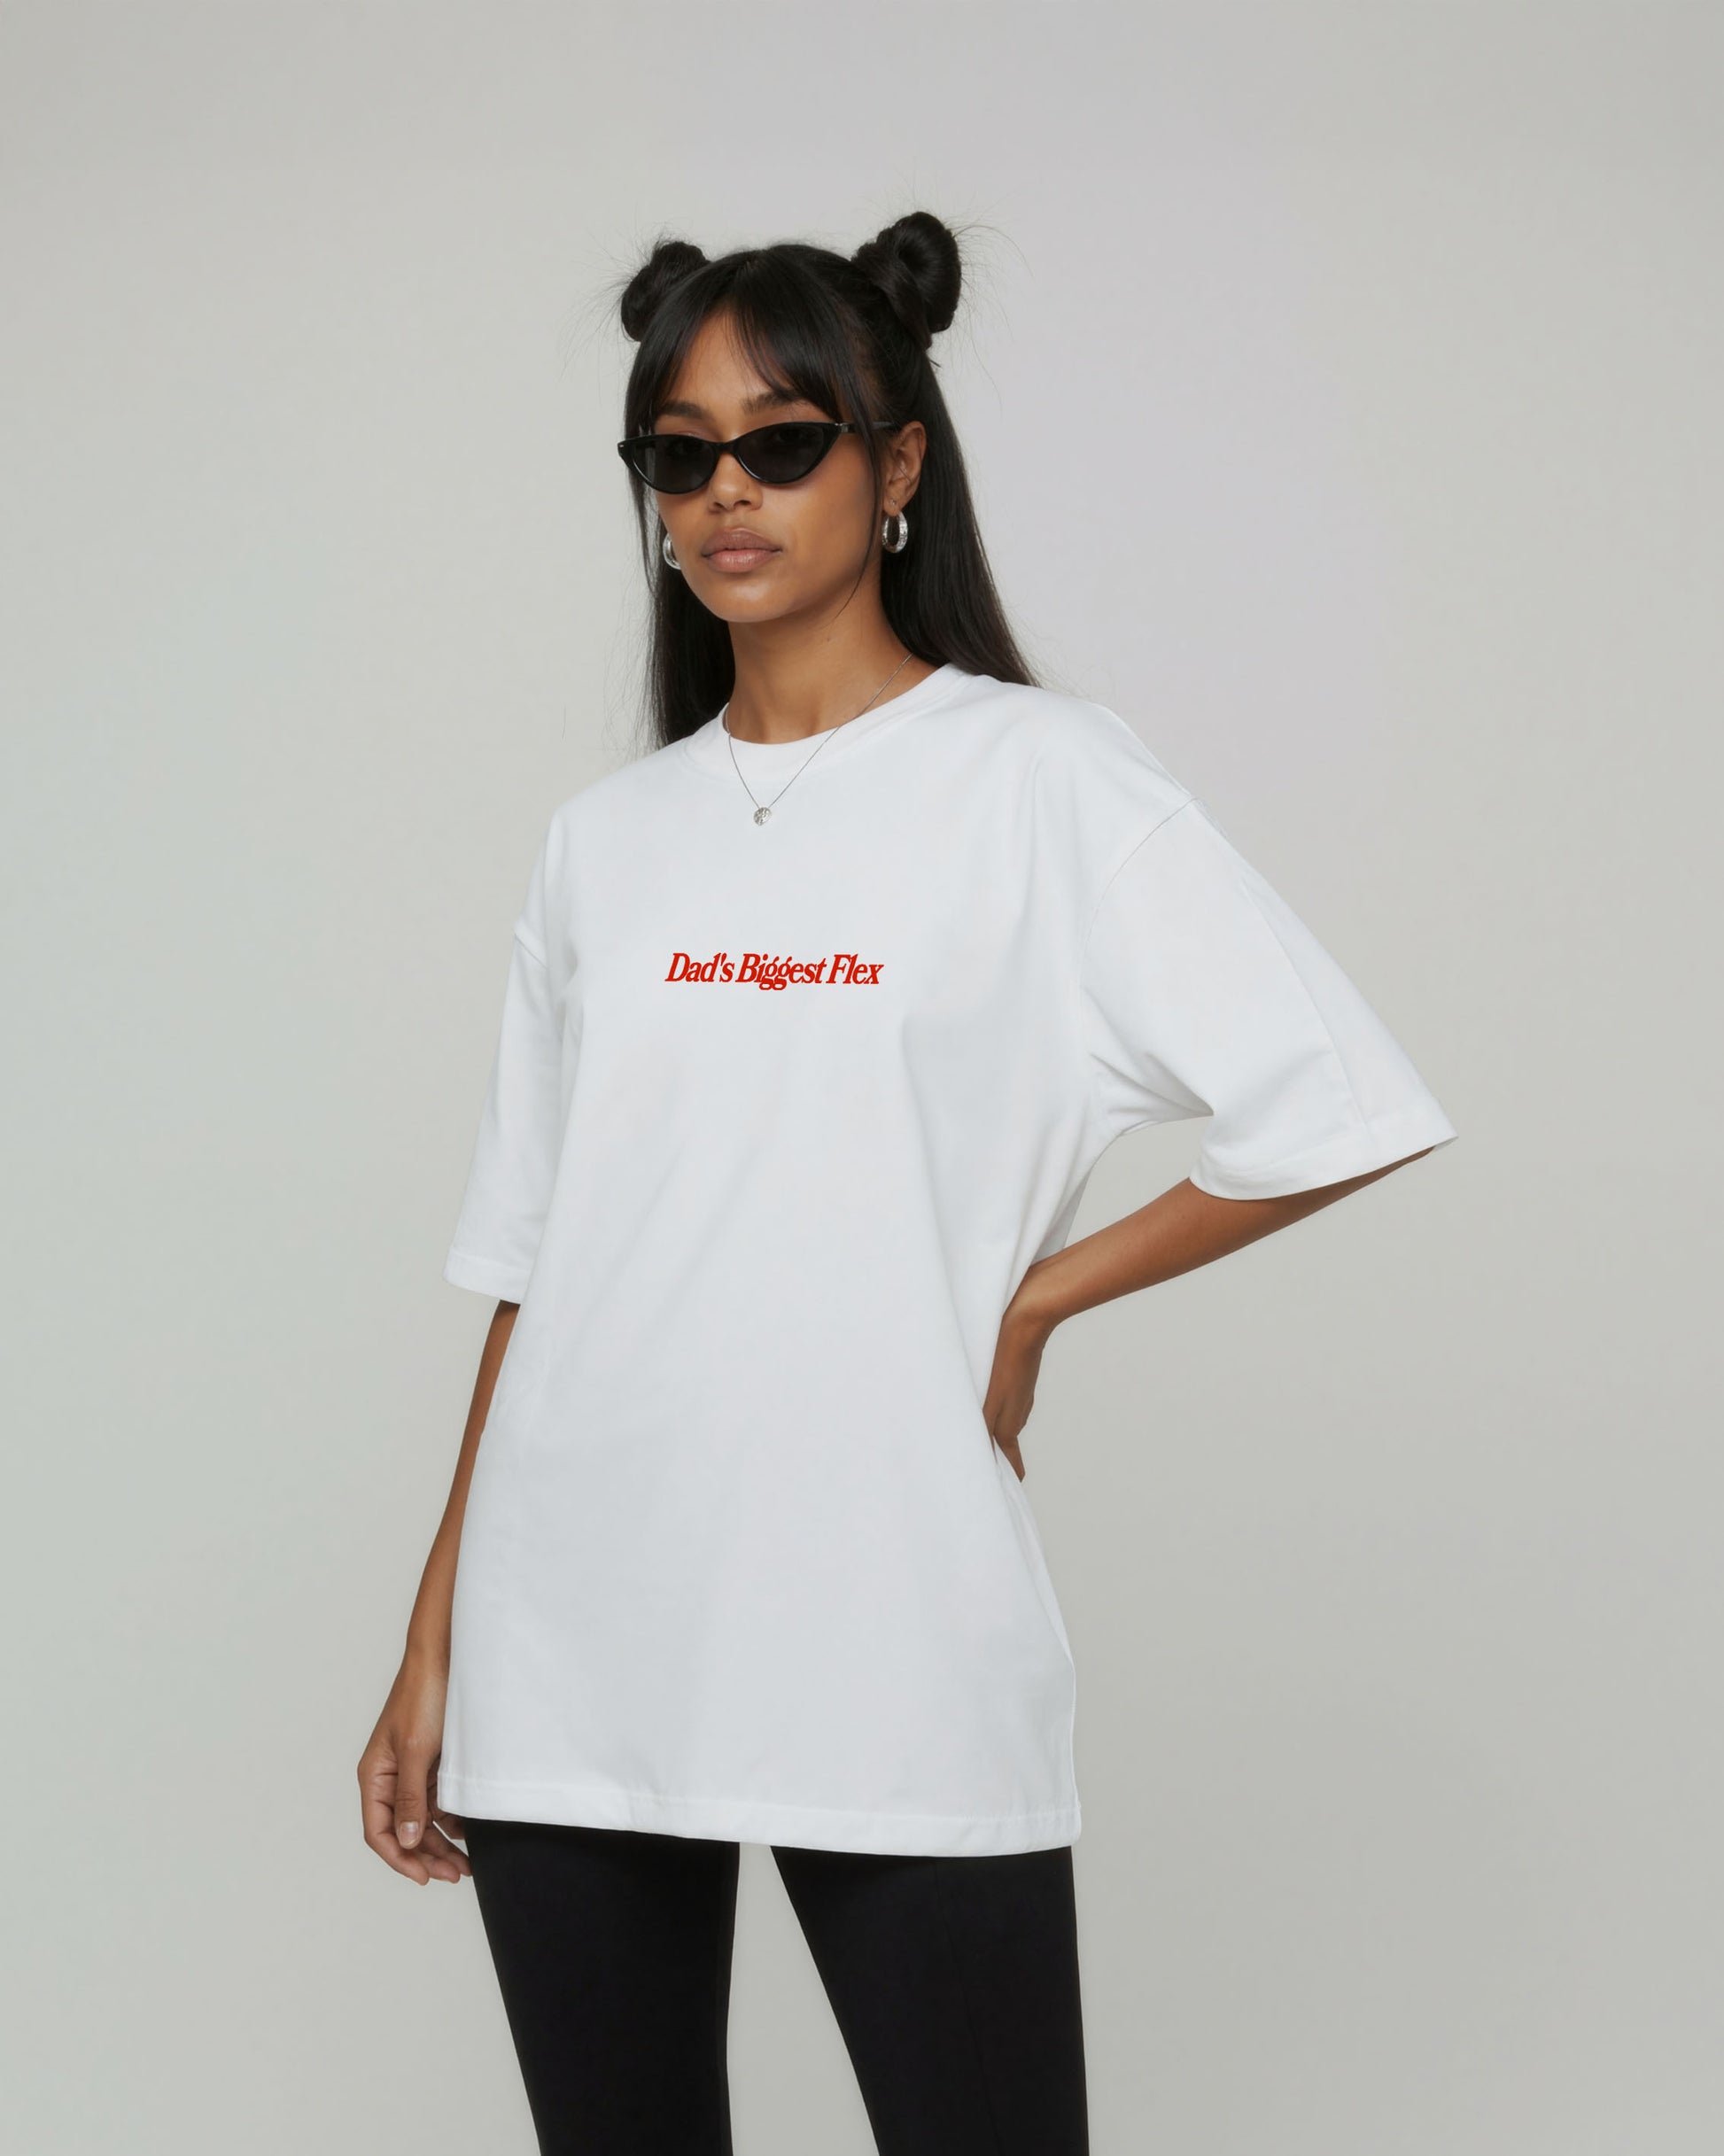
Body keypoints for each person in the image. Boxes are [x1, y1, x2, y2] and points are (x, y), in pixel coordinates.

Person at [358, 210, 1457, 2155]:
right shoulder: (606, 843)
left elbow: (1337, 1099)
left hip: (890, 1615)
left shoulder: (1043, 781)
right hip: (574, 1627)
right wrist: (437, 1634)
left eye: (780, 442)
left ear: (896, 464)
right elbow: (538, 1261)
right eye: (677, 454)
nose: (724, 493)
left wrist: (1034, 1297)